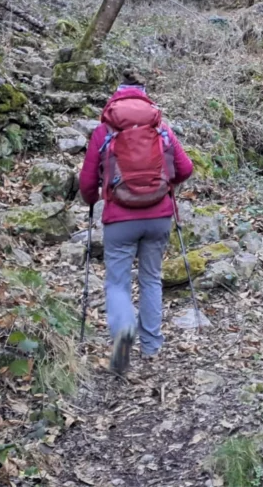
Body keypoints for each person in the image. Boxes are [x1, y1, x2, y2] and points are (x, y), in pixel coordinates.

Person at [79, 70, 193, 374]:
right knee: (151, 277)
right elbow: (185, 168)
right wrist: (165, 184)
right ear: (145, 96)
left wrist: (92, 198)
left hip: (120, 218)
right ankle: (151, 345)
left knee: (117, 282)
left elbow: (87, 182)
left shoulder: (104, 132)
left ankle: (123, 330)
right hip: (159, 216)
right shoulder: (162, 129)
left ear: (115, 97)